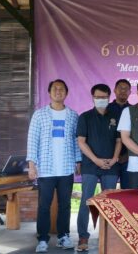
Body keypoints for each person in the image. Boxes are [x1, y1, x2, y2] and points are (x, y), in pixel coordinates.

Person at [27, 79, 81, 253]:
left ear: (66, 93)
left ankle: (63, 236)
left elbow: (77, 140)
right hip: (46, 169)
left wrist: (78, 161)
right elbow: (32, 140)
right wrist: (32, 165)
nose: (58, 91)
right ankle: (42, 239)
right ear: (49, 93)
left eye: (62, 89)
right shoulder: (39, 114)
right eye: (55, 89)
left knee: (65, 204)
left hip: (65, 168)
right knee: (44, 205)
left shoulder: (73, 115)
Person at [76, 83, 122, 252]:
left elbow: (119, 140)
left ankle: (109, 235)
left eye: (104, 97)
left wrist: (115, 158)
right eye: (97, 97)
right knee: (86, 201)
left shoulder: (116, 116)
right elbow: (81, 142)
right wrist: (95, 160)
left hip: (110, 166)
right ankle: (83, 237)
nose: (101, 100)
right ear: (92, 98)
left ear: (109, 98)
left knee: (109, 203)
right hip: (90, 165)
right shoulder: (85, 117)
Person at [107, 79, 132, 189]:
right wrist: (114, 157)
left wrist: (127, 155)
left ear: (130, 92)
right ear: (114, 90)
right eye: (120, 88)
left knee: (128, 193)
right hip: (109, 159)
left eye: (126, 89)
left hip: (129, 158)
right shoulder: (106, 109)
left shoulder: (134, 110)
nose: (123, 91)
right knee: (109, 193)